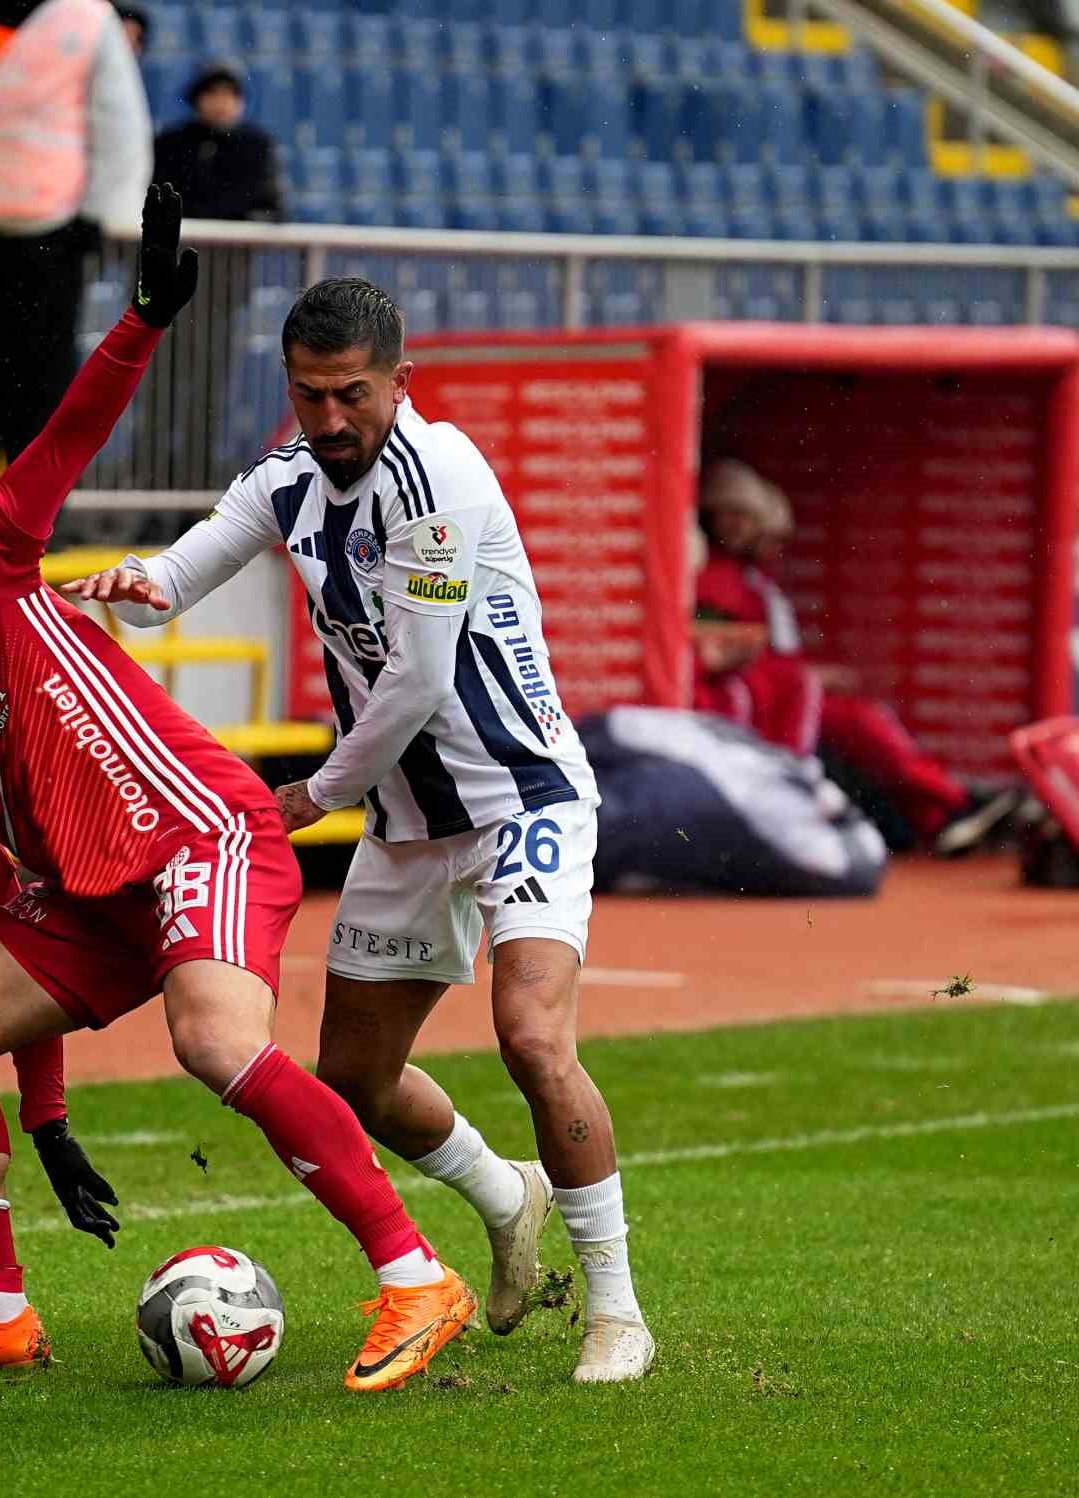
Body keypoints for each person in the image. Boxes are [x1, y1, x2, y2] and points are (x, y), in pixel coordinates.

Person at [0, 192, 473, 1393]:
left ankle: (410, 1275)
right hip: (93, 906)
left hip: (200, 828)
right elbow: (2, 936)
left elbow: (64, 441)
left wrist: (140, 321)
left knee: (213, 1039)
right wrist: (47, 1118)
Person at [67, 277, 655, 1384]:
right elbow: (186, 566)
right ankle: (503, 1191)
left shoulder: (439, 486)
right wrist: (128, 582)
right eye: (307, 395)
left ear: (399, 382)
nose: (328, 421)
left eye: (351, 395)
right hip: (403, 823)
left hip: (517, 797)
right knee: (354, 1076)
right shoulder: (290, 478)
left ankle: (617, 1312)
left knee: (531, 1036)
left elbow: (419, 683)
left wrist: (311, 794)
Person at [693, 459, 1021, 855]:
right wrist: (801, 675)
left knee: (867, 722)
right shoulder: (714, 576)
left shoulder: (754, 578)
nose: (739, 527)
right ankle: (951, 807)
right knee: (862, 723)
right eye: (729, 516)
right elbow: (721, 649)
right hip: (759, 704)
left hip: (785, 695)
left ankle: (948, 811)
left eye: (744, 517)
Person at [0, 0, 152, 464]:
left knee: (45, 375)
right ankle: (12, 499)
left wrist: (98, 215)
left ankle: (40, 506)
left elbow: (121, 124)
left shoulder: (87, 19)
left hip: (51, 230)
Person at [584, 707, 887, 899]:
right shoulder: (750, 753)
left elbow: (613, 727)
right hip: (651, 799)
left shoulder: (790, 815)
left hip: (651, 808)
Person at [153, 62, 283, 222]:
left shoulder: (257, 145)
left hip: (238, 243)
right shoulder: (170, 144)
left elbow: (272, 208)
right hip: (183, 242)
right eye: (212, 93)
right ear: (197, 99)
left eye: (230, 94)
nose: (221, 102)